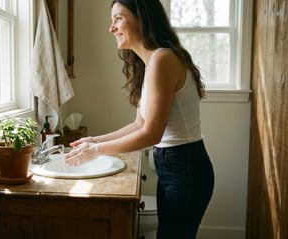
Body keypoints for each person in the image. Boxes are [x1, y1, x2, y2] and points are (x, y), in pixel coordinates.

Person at [65, 0, 214, 238]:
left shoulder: (163, 59)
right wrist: (94, 139)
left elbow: (151, 134)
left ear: (142, 19)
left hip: (185, 167)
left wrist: (97, 150)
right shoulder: (153, 62)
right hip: (176, 165)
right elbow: (139, 124)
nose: (111, 28)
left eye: (118, 18)